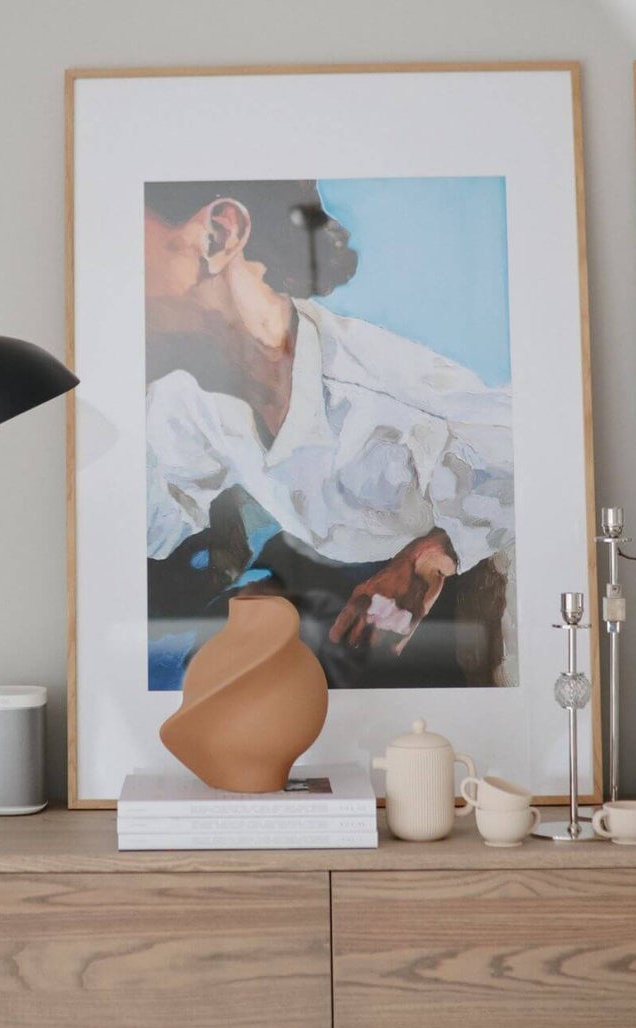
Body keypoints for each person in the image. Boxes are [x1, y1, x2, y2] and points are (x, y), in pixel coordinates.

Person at [143, 179, 515, 690]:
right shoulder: (183, 398)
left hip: (464, 629)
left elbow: (530, 450)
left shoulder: (376, 389)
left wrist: (435, 551)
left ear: (219, 235)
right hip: (339, 617)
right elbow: (160, 521)